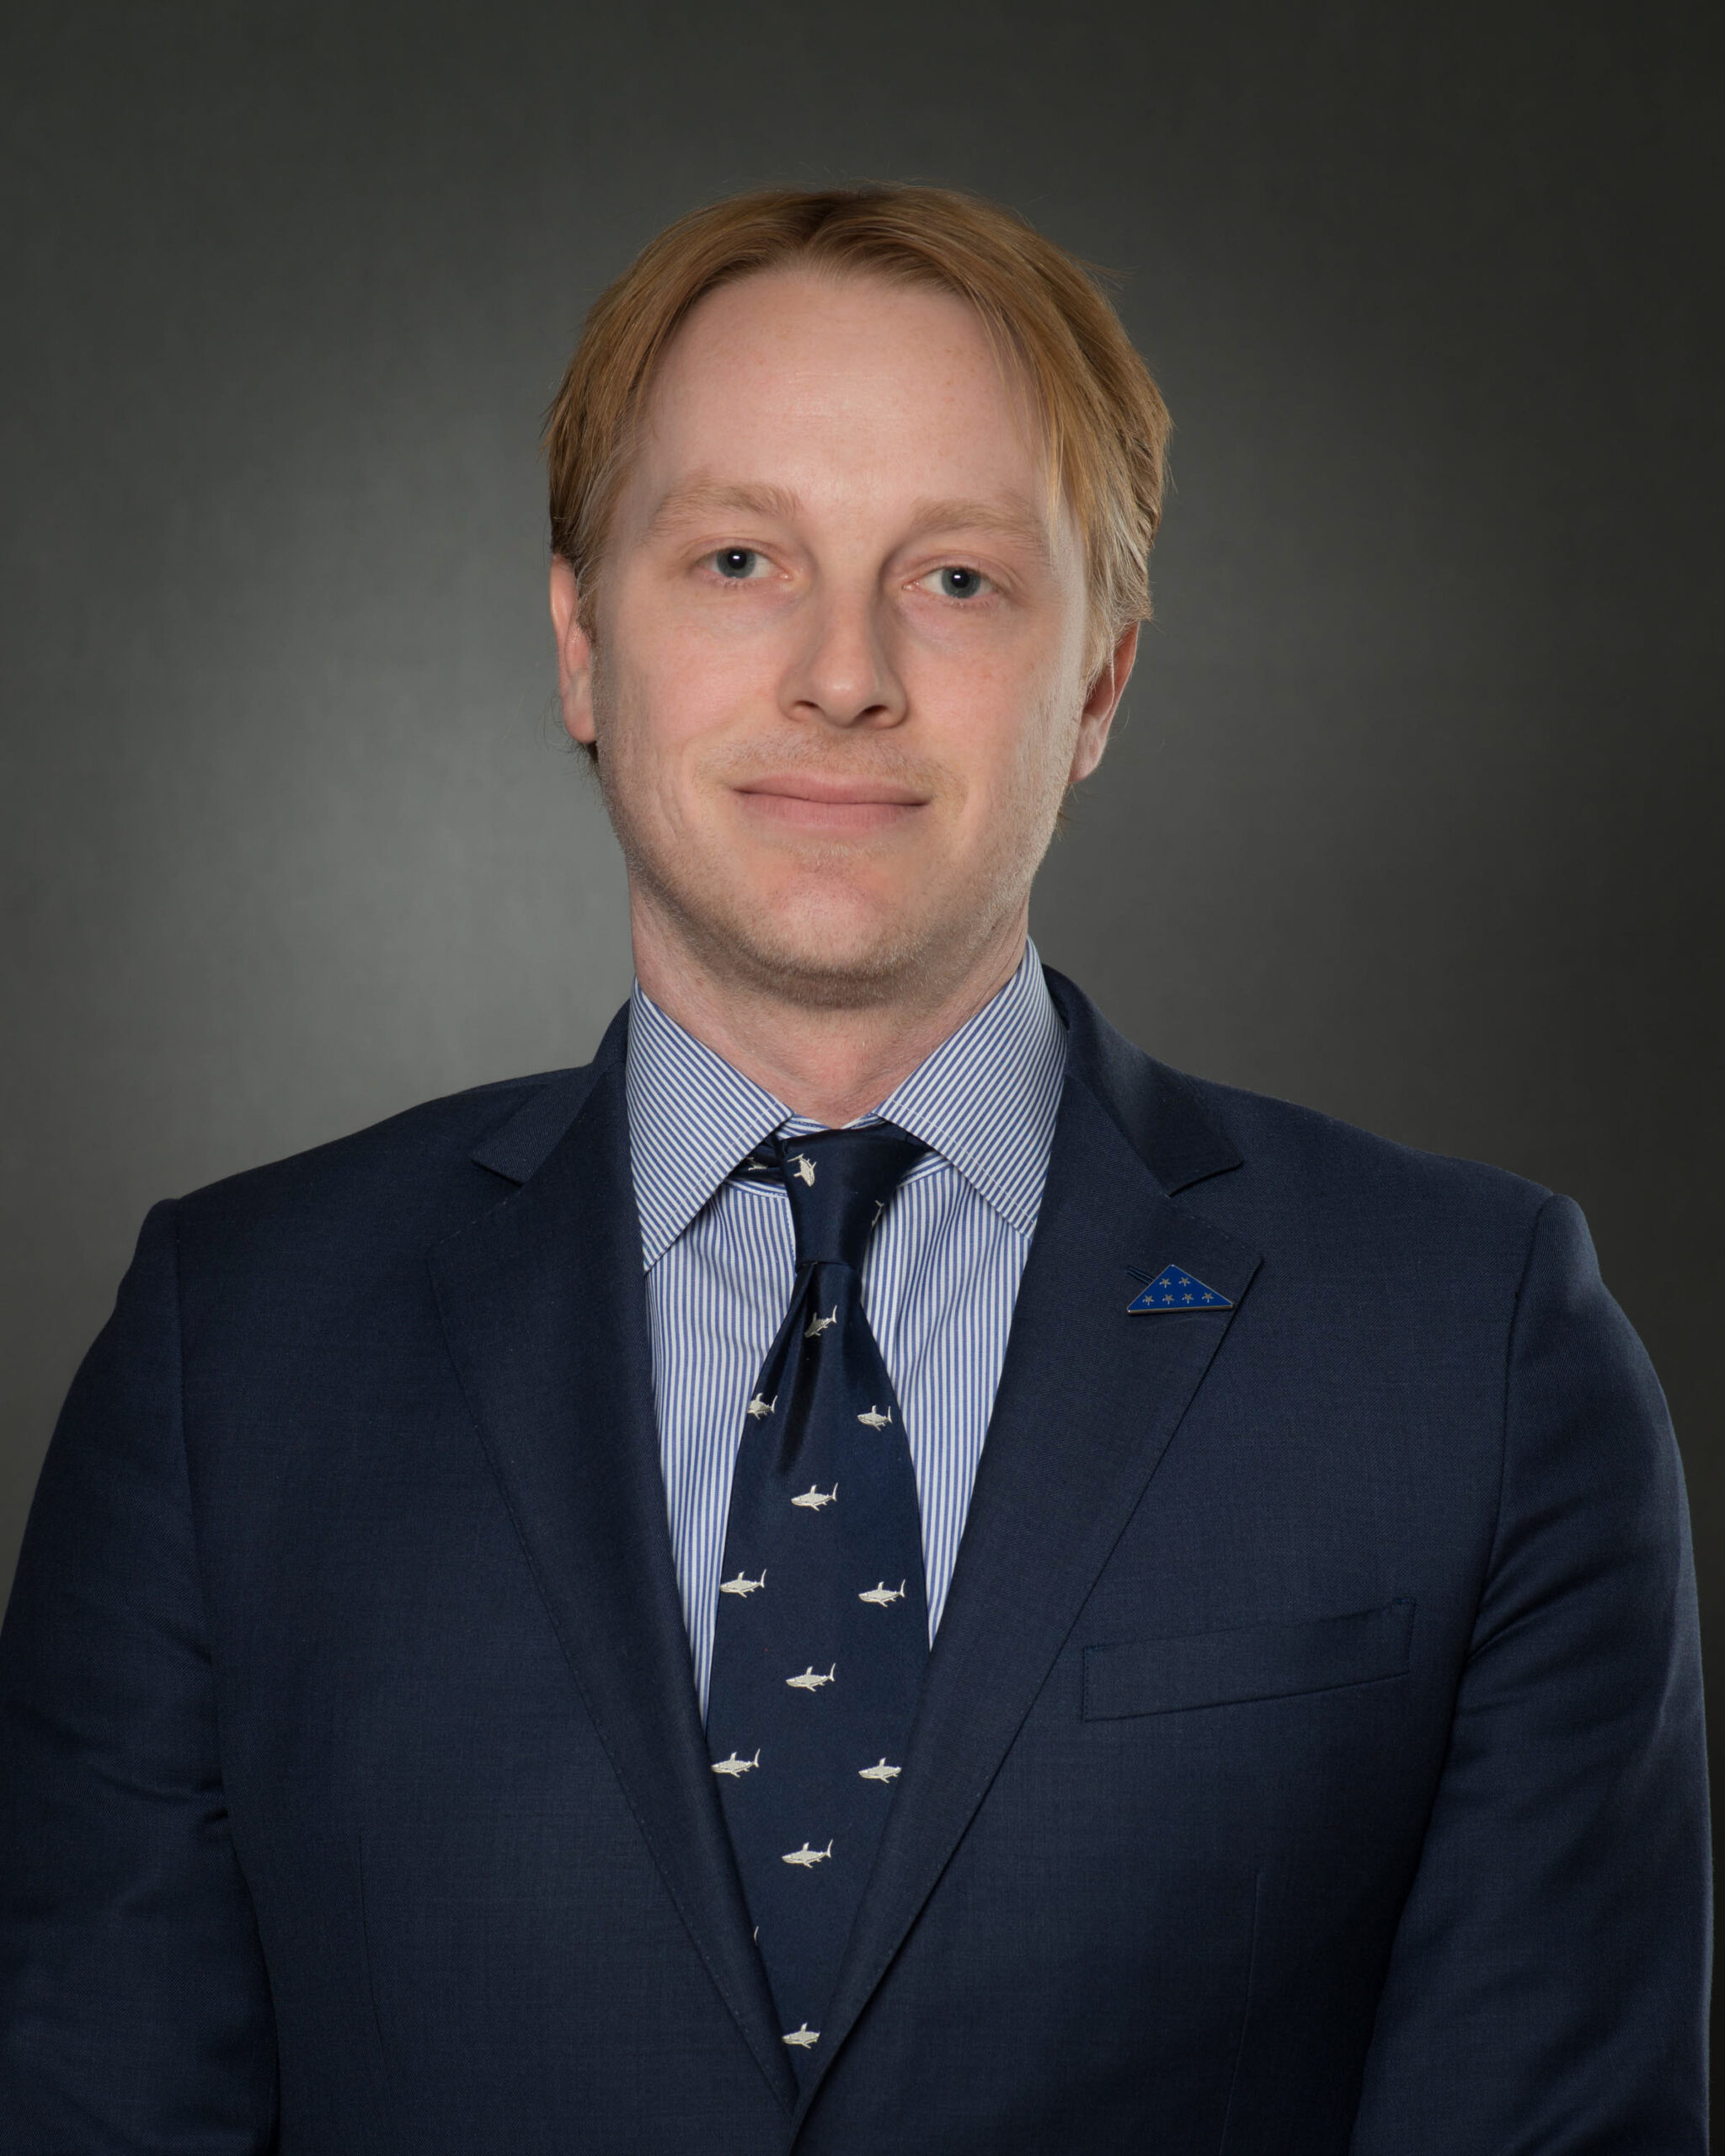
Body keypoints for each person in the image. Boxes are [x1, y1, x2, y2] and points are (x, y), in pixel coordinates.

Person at [0, 185, 1706, 2153]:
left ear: (1099, 680)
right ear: (581, 645)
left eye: (956, 579)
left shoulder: (1469, 1347)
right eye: (739, 558)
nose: (842, 673)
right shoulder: (230, 1353)